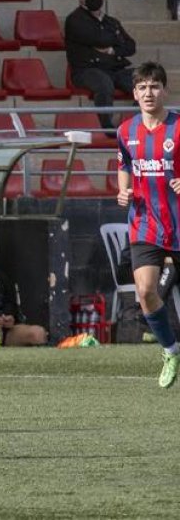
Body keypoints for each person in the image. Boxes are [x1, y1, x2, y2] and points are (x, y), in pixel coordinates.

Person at [114, 62, 180, 388]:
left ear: (164, 90)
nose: (148, 92)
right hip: (145, 223)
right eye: (142, 87)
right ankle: (170, 349)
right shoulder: (126, 131)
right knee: (145, 290)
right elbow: (124, 163)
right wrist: (123, 190)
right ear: (135, 94)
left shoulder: (179, 127)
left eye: (154, 86)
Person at [65, 0, 137, 131]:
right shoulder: (74, 20)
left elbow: (131, 46)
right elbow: (99, 38)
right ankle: (107, 128)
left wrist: (113, 50)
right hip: (87, 70)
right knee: (104, 84)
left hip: (116, 69)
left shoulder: (111, 22)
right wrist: (116, 40)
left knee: (147, 83)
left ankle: (134, 124)